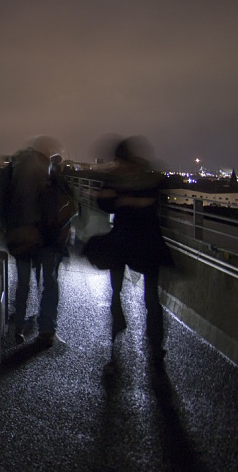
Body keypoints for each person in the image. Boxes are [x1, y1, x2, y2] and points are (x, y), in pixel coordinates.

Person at [92, 136, 173, 372]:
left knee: (119, 290)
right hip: (148, 241)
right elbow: (154, 203)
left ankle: (121, 331)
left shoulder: (116, 178)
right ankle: (155, 347)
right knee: (150, 298)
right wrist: (132, 201)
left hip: (126, 240)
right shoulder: (148, 176)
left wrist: (119, 201)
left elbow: (106, 203)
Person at [1, 136, 74, 348]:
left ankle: (19, 327)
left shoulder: (16, 170)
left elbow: (5, 202)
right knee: (49, 283)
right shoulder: (48, 171)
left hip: (21, 235)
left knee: (23, 283)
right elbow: (63, 203)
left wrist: (9, 228)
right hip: (47, 238)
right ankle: (46, 330)